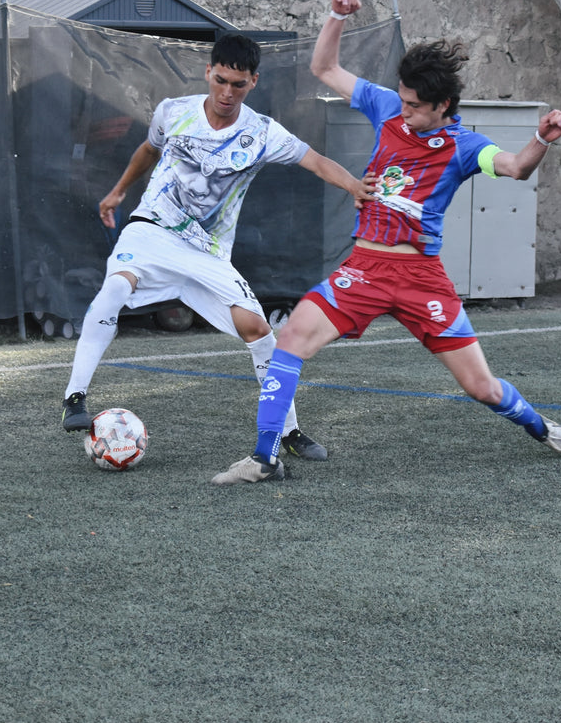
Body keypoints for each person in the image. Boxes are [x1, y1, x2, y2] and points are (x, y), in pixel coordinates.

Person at [211, 0, 561, 485]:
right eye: (403, 100)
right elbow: (325, 68)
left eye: (414, 105)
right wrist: (335, 16)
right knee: (292, 339)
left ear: (443, 104)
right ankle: (263, 459)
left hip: (420, 277)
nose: (403, 110)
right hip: (364, 268)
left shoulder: (465, 146)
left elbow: (515, 168)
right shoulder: (387, 106)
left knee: (481, 387)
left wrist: (540, 139)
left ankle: (541, 428)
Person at [61, 32, 375, 462]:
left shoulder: (262, 132)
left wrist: (356, 186)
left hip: (207, 251)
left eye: (238, 84)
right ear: (209, 72)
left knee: (259, 331)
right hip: (152, 229)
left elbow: (316, 161)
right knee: (116, 287)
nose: (227, 92)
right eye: (221, 80)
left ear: (253, 83)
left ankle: (289, 430)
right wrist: (118, 193)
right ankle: (74, 398)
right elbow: (148, 150)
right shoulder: (174, 112)